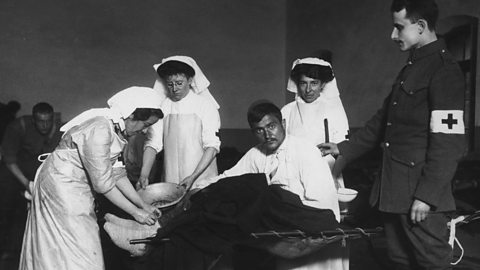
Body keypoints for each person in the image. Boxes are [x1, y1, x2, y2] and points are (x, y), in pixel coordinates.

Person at [320, 0, 466, 269]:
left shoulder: (444, 71)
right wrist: (345, 148)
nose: (393, 35)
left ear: (420, 26)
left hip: (419, 197)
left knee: (431, 262)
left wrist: (427, 196)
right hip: (395, 191)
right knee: (399, 261)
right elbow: (383, 121)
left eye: (399, 27)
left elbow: (449, 144)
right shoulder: (412, 68)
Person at [19, 86, 163, 270]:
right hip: (60, 185)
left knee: (76, 243)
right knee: (71, 243)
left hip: (75, 187)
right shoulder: (99, 128)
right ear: (132, 115)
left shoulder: (116, 130)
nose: (144, 131)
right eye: (146, 125)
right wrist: (136, 213)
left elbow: (117, 174)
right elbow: (103, 183)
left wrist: (143, 205)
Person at [212, 102, 345, 270]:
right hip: (283, 238)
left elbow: (323, 203)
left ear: (283, 124)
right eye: (259, 130)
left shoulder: (305, 151)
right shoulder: (256, 154)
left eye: (271, 126)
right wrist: (197, 188)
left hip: (311, 234)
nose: (267, 135)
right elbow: (228, 177)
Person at [139, 56, 221, 192]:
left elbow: (212, 146)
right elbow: (152, 143)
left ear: (190, 80)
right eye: (170, 84)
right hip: (170, 180)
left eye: (179, 83)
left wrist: (193, 176)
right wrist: (144, 174)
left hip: (201, 180)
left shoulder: (205, 106)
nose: (174, 89)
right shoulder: (163, 107)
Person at [0, 102, 62, 260]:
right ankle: (5, 250)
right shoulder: (18, 126)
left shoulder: (59, 131)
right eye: (41, 121)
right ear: (33, 120)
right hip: (15, 171)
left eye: (48, 121)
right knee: (7, 205)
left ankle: (31, 250)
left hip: (41, 172)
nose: (45, 125)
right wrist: (26, 184)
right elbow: (9, 160)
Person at [281, 57, 349, 189]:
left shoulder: (334, 110)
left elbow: (344, 151)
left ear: (322, 84)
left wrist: (332, 177)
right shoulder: (287, 111)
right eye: (303, 83)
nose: (308, 89)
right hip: (293, 177)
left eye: (314, 83)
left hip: (328, 175)